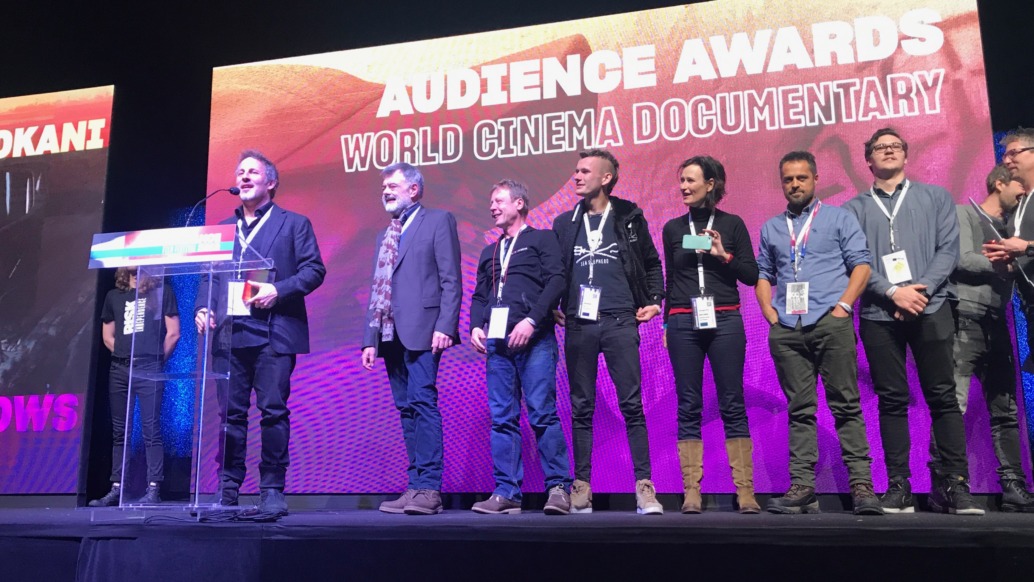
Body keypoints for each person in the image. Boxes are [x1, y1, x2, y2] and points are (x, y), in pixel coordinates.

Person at [843, 128, 982, 515]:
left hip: (931, 306)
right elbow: (855, 261)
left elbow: (948, 250)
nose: (887, 152)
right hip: (878, 312)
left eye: (894, 147)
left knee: (941, 395)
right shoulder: (853, 209)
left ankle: (955, 485)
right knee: (891, 400)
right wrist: (892, 292)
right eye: (879, 148)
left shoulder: (936, 197)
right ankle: (899, 487)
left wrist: (919, 292)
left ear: (905, 155)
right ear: (868, 160)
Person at [195, 150, 326, 517]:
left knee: (273, 411)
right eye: (240, 172)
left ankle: (271, 488)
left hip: (275, 332)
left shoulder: (294, 223)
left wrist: (278, 289)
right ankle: (228, 488)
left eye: (253, 172)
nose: (245, 176)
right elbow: (209, 278)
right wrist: (202, 308)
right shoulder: (222, 229)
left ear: (271, 182)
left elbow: (314, 270)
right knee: (230, 416)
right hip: (229, 335)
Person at [756, 151, 882, 515]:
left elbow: (861, 265)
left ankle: (862, 486)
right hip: (787, 329)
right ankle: (802, 487)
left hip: (830, 321)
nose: (794, 184)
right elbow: (764, 274)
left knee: (846, 405)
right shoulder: (771, 227)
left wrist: (843, 306)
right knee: (800, 409)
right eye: (788, 179)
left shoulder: (839, 218)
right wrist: (769, 312)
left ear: (814, 179)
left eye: (801, 178)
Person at [552, 149, 665, 515]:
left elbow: (650, 262)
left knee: (632, 405)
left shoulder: (629, 216)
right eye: (575, 170)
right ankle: (581, 486)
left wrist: (656, 298)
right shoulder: (563, 223)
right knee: (581, 407)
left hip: (620, 319)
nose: (576, 176)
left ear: (605, 178)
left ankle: (644, 486)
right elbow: (557, 271)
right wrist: (555, 303)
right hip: (579, 323)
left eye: (585, 171)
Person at [660, 156, 760, 514]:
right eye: (681, 180)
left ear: (711, 183)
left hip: (726, 320)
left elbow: (751, 275)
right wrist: (667, 324)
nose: (684, 187)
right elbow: (671, 282)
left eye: (690, 180)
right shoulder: (673, 228)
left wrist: (723, 255)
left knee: (732, 402)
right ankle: (692, 491)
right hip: (684, 322)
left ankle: (745, 491)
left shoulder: (732, 224)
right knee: (688, 404)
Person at [362, 162, 461, 516]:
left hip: (424, 328)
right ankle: (415, 485)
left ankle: (430, 489)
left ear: (414, 189)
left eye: (392, 185)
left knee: (422, 402)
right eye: (383, 187)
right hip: (390, 335)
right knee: (405, 409)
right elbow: (377, 289)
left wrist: (446, 326)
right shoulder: (384, 234)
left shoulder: (438, 220)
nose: (385, 191)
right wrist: (370, 339)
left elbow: (450, 278)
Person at [468, 179, 571, 515]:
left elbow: (557, 280)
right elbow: (481, 295)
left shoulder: (541, 239)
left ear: (520, 204)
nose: (493, 207)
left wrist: (531, 321)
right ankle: (506, 492)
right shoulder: (490, 251)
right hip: (497, 344)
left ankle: (558, 488)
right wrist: (474, 326)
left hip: (535, 339)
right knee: (502, 419)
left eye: (499, 201)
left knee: (542, 412)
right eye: (491, 201)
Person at [951, 165, 1034, 511]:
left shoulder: (1015, 228)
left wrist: (1019, 253)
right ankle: (952, 481)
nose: (1024, 192)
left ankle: (1013, 484)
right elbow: (962, 260)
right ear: (999, 183)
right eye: (1019, 185)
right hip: (965, 317)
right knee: (953, 403)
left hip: (998, 321)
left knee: (1006, 408)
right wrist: (1009, 263)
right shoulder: (965, 213)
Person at [90, 267, 180, 506]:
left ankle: (153, 488)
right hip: (119, 369)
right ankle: (116, 487)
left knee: (151, 429)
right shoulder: (113, 296)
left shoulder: (162, 292)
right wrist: (124, 355)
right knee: (120, 430)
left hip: (150, 367)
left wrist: (155, 360)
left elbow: (173, 333)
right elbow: (108, 335)